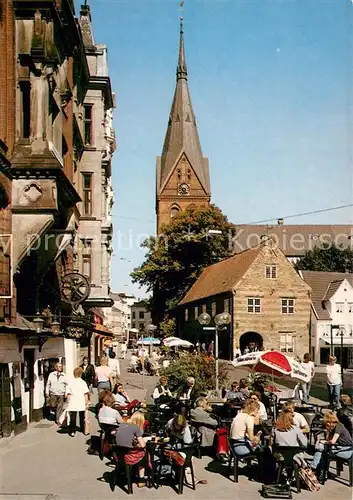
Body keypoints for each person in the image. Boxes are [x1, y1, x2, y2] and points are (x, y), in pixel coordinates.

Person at [311, 412, 353, 481]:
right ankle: (320, 473)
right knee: (321, 451)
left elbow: (332, 441)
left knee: (321, 451)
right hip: (340, 447)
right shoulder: (334, 426)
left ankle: (315, 470)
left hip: (346, 450)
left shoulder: (339, 426)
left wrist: (323, 442)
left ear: (329, 421)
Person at [114, 411, 147, 487]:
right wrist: (145, 440)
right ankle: (141, 479)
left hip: (119, 454)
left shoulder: (122, 425)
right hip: (129, 456)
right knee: (144, 452)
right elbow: (142, 445)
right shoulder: (136, 428)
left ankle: (129, 471)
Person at [67, 367, 90, 437]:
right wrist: (87, 402)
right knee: (82, 416)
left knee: (73, 416)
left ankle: (72, 431)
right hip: (81, 400)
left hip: (73, 400)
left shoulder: (70, 382)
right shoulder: (83, 382)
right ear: (81, 374)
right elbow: (85, 393)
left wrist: (68, 402)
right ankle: (83, 429)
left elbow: (68, 393)